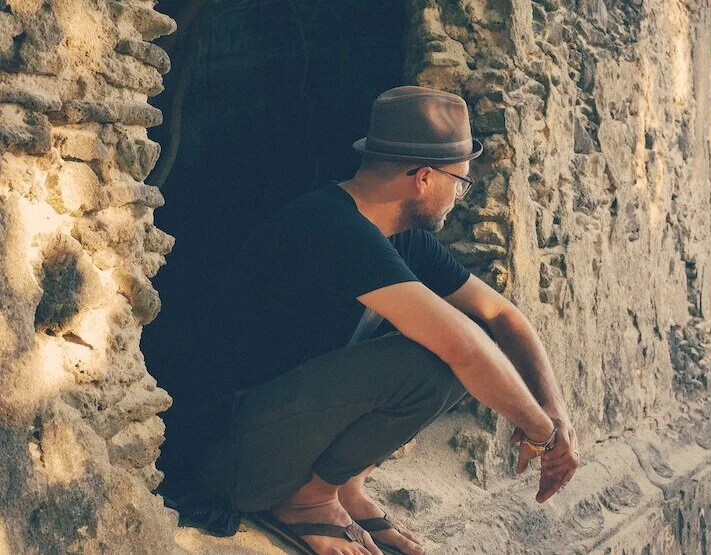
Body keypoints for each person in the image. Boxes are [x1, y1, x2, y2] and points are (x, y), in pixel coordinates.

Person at [175, 86, 580, 555]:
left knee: (476, 339)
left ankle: (343, 485)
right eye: (461, 182)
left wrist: (554, 409)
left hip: (274, 434)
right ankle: (307, 501)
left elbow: (502, 316)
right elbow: (464, 348)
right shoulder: (332, 226)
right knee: (440, 360)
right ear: (424, 178)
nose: (461, 196)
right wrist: (543, 434)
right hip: (228, 457)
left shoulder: (399, 236)